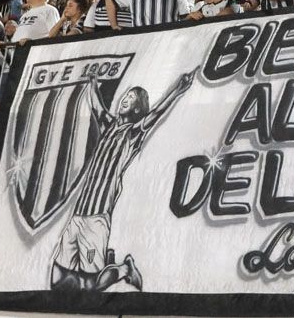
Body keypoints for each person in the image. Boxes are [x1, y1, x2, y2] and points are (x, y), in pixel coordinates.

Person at [50, 69, 196, 292]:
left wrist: (176, 90)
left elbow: (155, 114)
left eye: (130, 98)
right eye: (124, 96)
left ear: (137, 108)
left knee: (89, 287)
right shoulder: (109, 125)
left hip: (96, 220)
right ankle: (110, 263)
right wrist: (92, 83)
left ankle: (124, 270)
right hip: (78, 214)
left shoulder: (133, 133)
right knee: (57, 281)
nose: (123, 99)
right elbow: (97, 107)